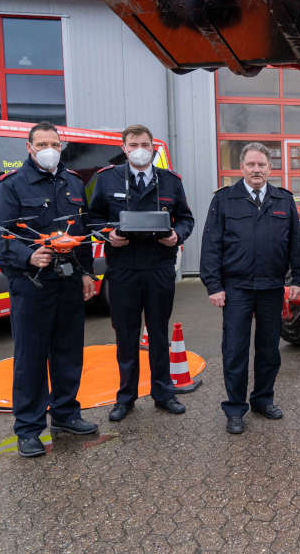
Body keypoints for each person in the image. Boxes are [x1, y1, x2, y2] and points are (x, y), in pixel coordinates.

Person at [0, 121, 98, 457]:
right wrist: (28, 254)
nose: (49, 148)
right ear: (29, 147)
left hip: (68, 284)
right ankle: (29, 428)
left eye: (55, 143)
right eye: (42, 143)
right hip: (30, 285)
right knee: (31, 359)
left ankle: (65, 414)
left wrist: (88, 274)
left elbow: (84, 232)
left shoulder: (73, 183)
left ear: (61, 147)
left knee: (68, 353)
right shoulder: (11, 186)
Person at [89, 124, 194, 422]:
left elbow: (186, 218)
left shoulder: (170, 182)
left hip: (159, 266)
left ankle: (163, 393)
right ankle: (126, 397)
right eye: (133, 143)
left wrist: (177, 235)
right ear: (124, 148)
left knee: (159, 332)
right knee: (126, 334)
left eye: (145, 144)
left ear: (153, 148)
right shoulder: (107, 179)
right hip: (123, 269)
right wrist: (108, 234)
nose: (139, 149)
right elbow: (93, 219)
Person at [200, 143, 300, 435]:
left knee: (269, 349)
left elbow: (296, 243)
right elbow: (211, 245)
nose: (256, 170)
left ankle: (262, 400)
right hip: (236, 289)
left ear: (269, 168)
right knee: (235, 350)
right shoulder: (224, 200)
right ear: (242, 167)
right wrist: (213, 285)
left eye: (261, 165)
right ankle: (235, 408)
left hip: (272, 287)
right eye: (251, 165)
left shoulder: (283, 200)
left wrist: (297, 278)